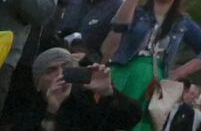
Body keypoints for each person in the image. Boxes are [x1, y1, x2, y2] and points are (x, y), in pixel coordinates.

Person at [102, 0, 201, 131]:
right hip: (123, 72)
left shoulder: (182, 23)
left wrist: (177, 73)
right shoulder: (137, 11)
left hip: (155, 81)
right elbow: (118, 24)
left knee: (140, 124)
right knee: (108, 119)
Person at [9, 47, 141, 131]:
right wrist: (52, 110)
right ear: (38, 83)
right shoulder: (27, 112)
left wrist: (109, 93)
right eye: (51, 70)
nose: (60, 74)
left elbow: (129, 120)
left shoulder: (88, 98)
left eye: (67, 68)